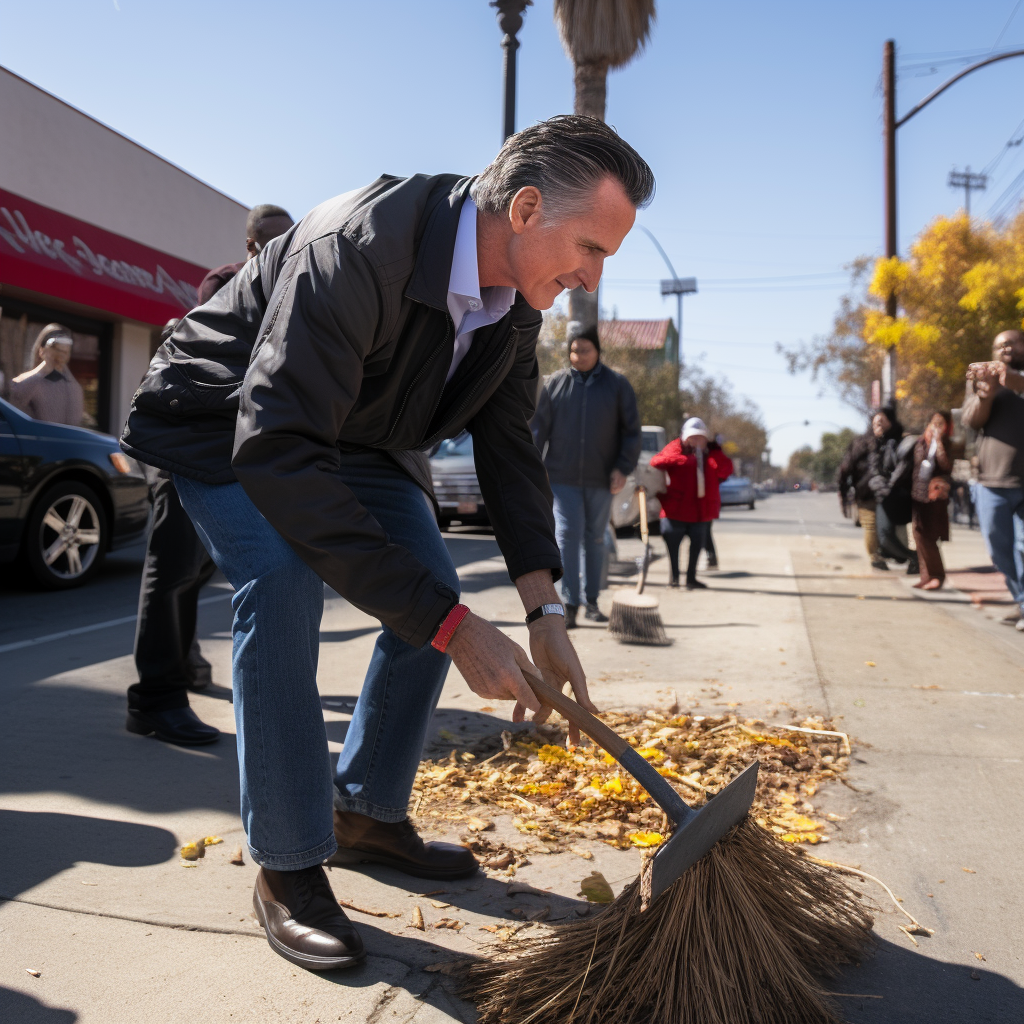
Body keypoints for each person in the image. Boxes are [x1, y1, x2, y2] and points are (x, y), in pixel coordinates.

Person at [121, 115, 654, 971]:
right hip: (229, 422)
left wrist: (544, 607)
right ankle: (289, 868)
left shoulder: (518, 308)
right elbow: (280, 448)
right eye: (590, 248)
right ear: (523, 210)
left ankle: (365, 810)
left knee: (428, 588)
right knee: (284, 581)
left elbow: (511, 451)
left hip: (360, 438)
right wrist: (452, 625)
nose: (591, 278)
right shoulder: (355, 246)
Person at [127, 208, 296, 747]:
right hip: (183, 444)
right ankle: (155, 699)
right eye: (269, 242)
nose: (279, 249)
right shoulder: (228, 285)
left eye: (287, 241)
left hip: (227, 454)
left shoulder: (294, 287)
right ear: (250, 245)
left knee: (198, 568)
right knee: (172, 568)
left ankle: (184, 658)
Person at [531, 323, 641, 627]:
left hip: (603, 479)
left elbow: (631, 433)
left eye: (585, 350)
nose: (578, 355)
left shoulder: (618, 386)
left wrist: (622, 468)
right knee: (566, 537)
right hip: (562, 478)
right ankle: (571, 603)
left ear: (597, 351)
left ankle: (592, 601)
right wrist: (532, 466)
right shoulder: (554, 385)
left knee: (595, 539)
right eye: (574, 350)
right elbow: (538, 429)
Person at [962, 329, 1024, 629]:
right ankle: (1022, 601)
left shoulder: (1015, 378)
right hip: (991, 481)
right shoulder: (983, 380)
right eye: (1000, 345)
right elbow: (971, 421)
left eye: (1012, 342)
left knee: (1023, 547)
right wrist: (985, 393)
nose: (1006, 348)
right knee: (999, 551)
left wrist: (1012, 380)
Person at [650, 417, 733, 589]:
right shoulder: (676, 448)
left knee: (697, 547)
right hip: (675, 511)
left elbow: (725, 469)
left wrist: (714, 450)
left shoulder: (711, 453)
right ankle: (674, 578)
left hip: (700, 512)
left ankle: (691, 578)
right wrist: (687, 461)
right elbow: (657, 461)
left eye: (700, 437)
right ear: (684, 437)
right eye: (692, 437)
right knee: (673, 548)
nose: (696, 441)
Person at [197, 204, 294, 304]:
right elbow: (206, 318)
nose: (286, 246)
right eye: (275, 240)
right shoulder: (225, 278)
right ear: (251, 245)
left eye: (291, 237)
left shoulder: (299, 283)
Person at [867, 405, 918, 574]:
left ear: (891, 421)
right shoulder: (876, 444)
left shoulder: (901, 442)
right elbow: (873, 471)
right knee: (884, 536)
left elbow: (901, 469)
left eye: (881, 422)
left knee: (885, 536)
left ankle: (915, 558)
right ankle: (914, 558)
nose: (877, 426)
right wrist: (882, 488)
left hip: (898, 495)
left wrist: (887, 488)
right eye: (875, 424)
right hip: (884, 495)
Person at [8, 324, 84, 426]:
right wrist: (44, 368)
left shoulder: (73, 388)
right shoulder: (28, 383)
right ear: (41, 350)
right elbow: (14, 403)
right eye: (56, 349)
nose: (60, 355)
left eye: (65, 351)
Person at [910, 411, 953, 590]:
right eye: (934, 422)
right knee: (918, 534)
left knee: (929, 536)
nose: (936, 426)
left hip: (935, 495)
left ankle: (937, 576)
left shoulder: (948, 443)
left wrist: (939, 443)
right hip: (918, 494)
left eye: (941, 423)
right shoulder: (920, 442)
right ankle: (925, 575)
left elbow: (945, 465)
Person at [837, 419, 883, 568]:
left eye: (883, 422)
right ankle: (875, 558)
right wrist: (844, 495)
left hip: (889, 493)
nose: (880, 427)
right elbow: (845, 470)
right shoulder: (860, 444)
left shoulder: (891, 442)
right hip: (866, 493)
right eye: (877, 423)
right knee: (870, 525)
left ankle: (889, 555)